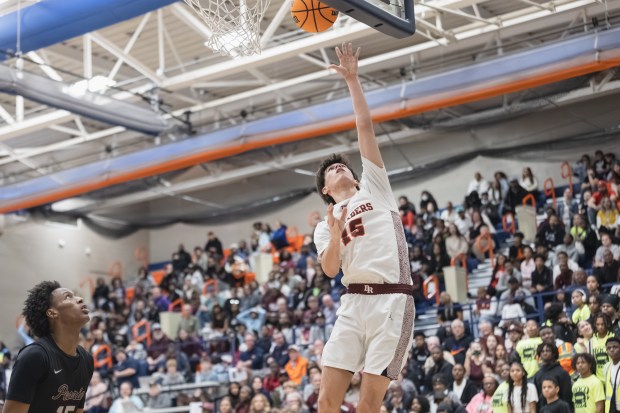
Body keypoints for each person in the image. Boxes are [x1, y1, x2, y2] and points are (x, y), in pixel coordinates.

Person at [313, 43, 415, 413]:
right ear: (326, 189)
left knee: (368, 404)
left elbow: (364, 127)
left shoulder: (375, 187)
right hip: (353, 302)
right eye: (331, 169)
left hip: (392, 298)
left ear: (356, 177)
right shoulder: (325, 225)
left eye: (343, 166)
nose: (339, 168)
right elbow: (328, 269)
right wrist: (337, 233)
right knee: (326, 400)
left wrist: (352, 80)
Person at [4, 281, 94, 413]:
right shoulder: (35, 356)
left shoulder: (87, 360)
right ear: (52, 313)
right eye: (68, 297)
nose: (79, 299)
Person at [532, 343, 572, 411]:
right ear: (539, 355)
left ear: (554, 353)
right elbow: (537, 398)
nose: (545, 353)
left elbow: (567, 396)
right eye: (542, 351)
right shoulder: (538, 375)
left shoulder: (562, 373)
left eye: (548, 351)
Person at [604, 337, 620, 413]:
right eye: (609, 348)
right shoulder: (606, 367)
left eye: (615, 347)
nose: (612, 350)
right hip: (611, 407)